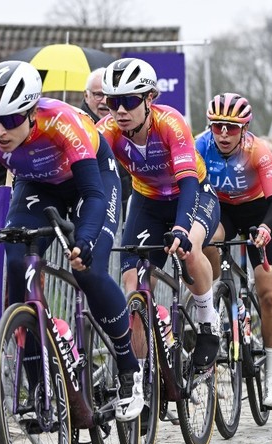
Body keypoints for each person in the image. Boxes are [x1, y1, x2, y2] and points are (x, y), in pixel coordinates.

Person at [0, 60, 142, 423]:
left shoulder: (62, 122)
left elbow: (93, 195)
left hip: (91, 179)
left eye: (10, 120)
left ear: (32, 112)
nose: (0, 130)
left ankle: (130, 367)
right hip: (36, 184)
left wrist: (83, 240)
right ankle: (40, 388)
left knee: (89, 270)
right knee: (17, 262)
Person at [97, 58, 221, 371]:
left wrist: (180, 229)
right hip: (148, 201)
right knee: (133, 286)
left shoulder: (171, 123)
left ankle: (208, 322)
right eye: (113, 102)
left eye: (129, 101)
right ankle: (141, 383)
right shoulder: (107, 131)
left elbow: (189, 183)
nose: (120, 111)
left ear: (149, 99)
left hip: (192, 193)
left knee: (189, 247)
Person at [196, 92, 272, 407]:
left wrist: (264, 228)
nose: (223, 133)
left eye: (231, 128)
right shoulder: (200, 146)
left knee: (269, 294)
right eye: (217, 126)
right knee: (204, 239)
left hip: (259, 211)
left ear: (244, 129)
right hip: (221, 209)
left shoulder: (257, 150)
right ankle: (216, 294)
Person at [81, 67, 131, 218]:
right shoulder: (77, 129)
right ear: (86, 95)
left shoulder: (129, 125)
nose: (104, 101)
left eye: (109, 96)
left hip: (126, 212)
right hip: (93, 213)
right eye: (98, 95)